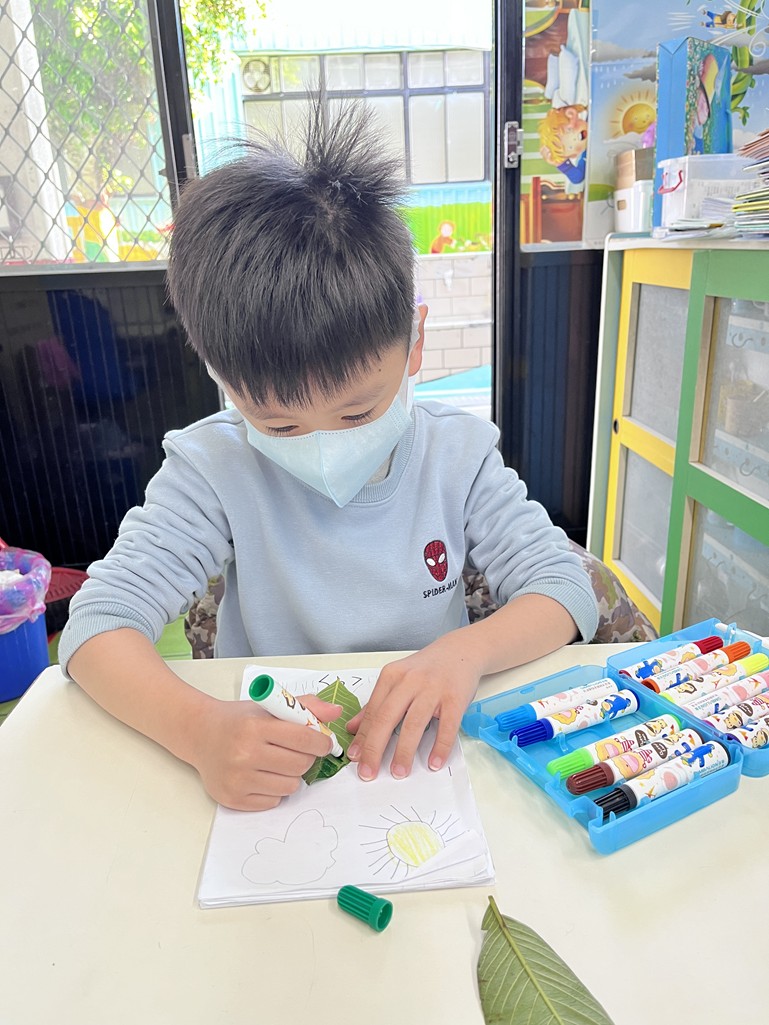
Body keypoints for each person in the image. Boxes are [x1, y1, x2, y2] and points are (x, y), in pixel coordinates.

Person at [60, 99, 598, 812]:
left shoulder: (458, 454)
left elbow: (564, 588)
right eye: (279, 424)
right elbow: (97, 624)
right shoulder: (211, 468)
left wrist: (463, 653)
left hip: (424, 762)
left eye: (358, 412)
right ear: (223, 380)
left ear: (414, 341)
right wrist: (199, 729)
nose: (324, 445)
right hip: (276, 771)